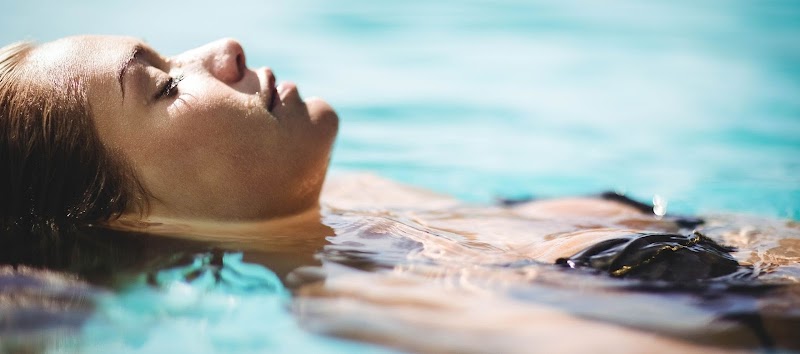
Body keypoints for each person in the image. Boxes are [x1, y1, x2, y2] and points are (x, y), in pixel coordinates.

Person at [1, 35, 339, 225]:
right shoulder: (350, 313)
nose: (227, 48)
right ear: (127, 220)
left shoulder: (351, 197)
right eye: (168, 86)